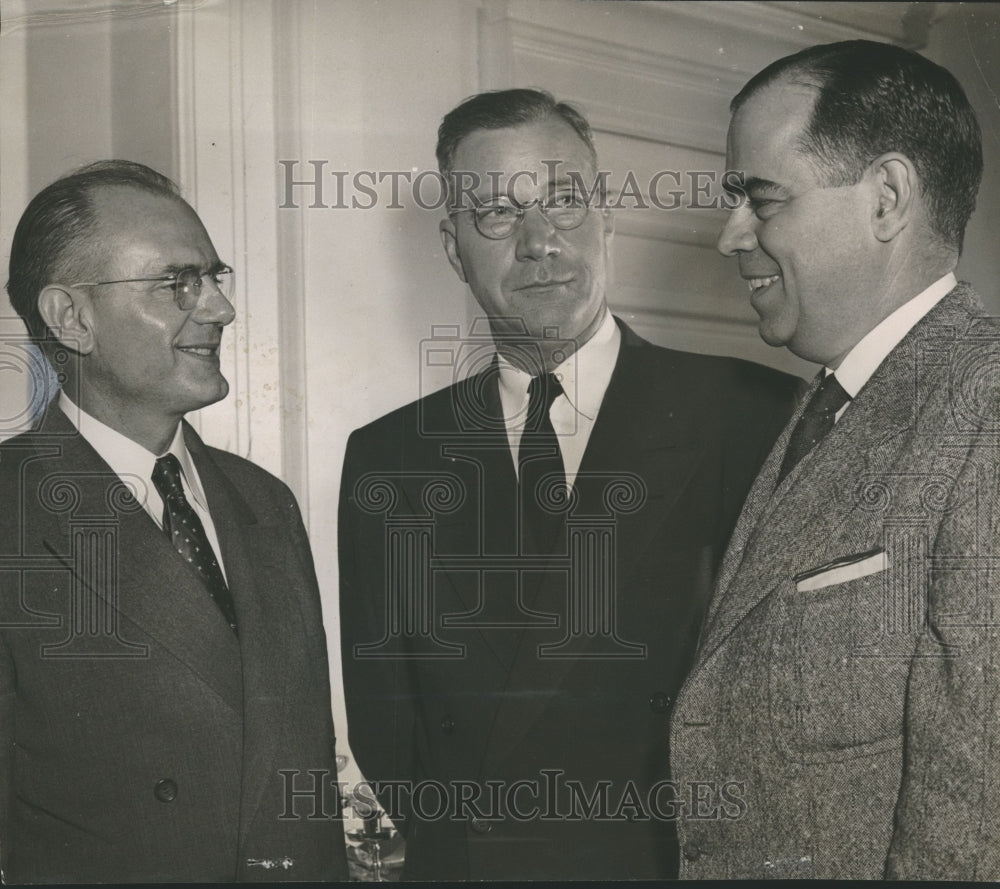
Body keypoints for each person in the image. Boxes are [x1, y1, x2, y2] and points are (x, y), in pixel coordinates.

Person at [338, 88, 801, 880]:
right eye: (495, 213)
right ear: (453, 250)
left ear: (608, 215)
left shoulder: (755, 417)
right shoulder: (388, 458)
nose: (540, 241)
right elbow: (391, 731)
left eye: (563, 200)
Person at [670, 40, 1000, 880]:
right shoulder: (825, 405)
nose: (728, 234)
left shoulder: (985, 404)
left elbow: (972, 821)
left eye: (762, 199)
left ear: (887, 197)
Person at [0, 160, 348, 882]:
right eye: (176, 283)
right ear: (73, 318)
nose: (220, 308)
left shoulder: (266, 502)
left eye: (214, 277)